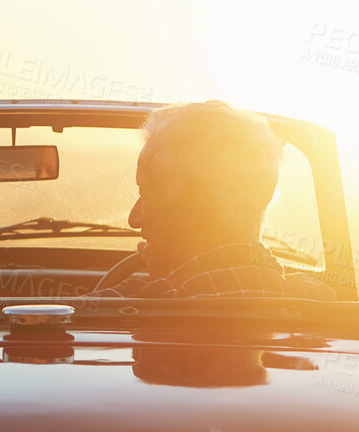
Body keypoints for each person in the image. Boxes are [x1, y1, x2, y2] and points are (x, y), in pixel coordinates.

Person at [92, 101, 335, 300]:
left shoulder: (132, 303)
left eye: (147, 192)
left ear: (193, 205)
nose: (134, 219)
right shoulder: (316, 303)